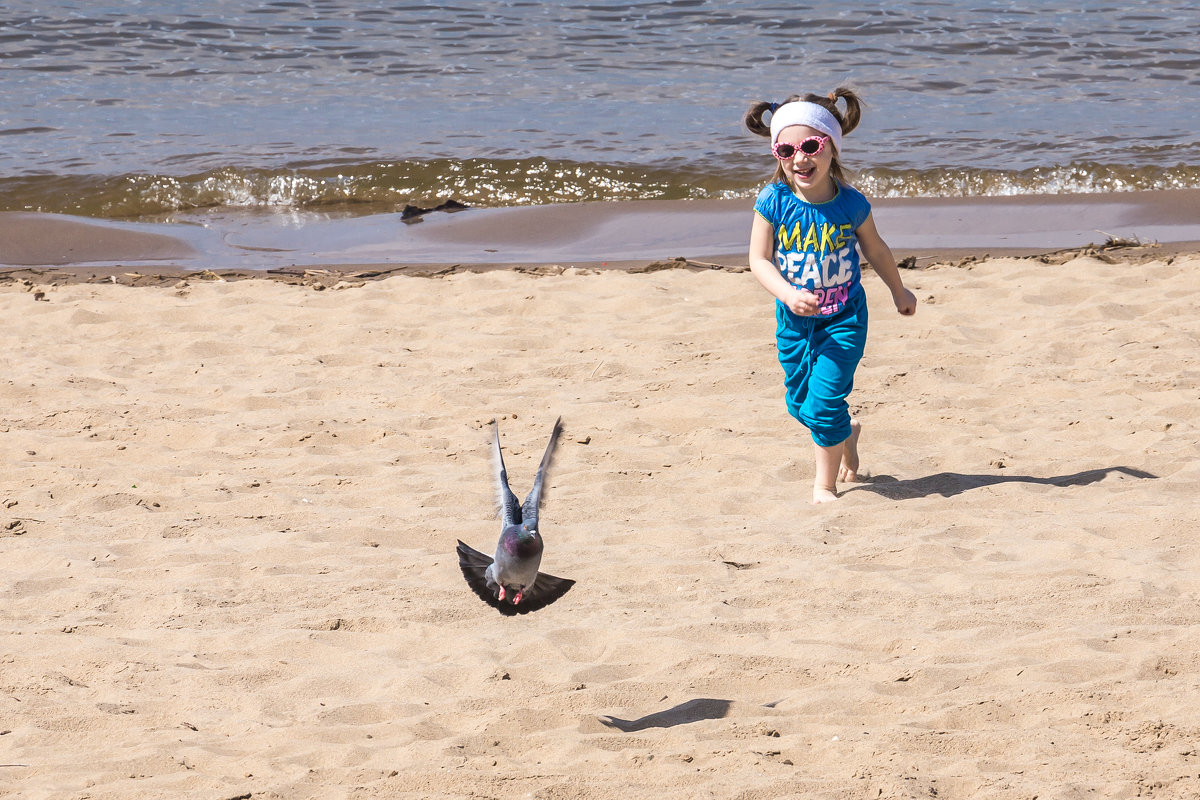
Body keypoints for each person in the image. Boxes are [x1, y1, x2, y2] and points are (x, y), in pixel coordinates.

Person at [745, 88, 917, 504]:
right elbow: (758, 259)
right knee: (801, 402)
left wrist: (898, 289)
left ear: (831, 149)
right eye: (787, 149)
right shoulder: (773, 200)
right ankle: (847, 436)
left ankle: (825, 485)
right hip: (794, 321)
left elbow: (875, 249)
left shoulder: (852, 204)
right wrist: (787, 294)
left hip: (844, 319)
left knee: (823, 403)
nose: (800, 158)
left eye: (810, 146)